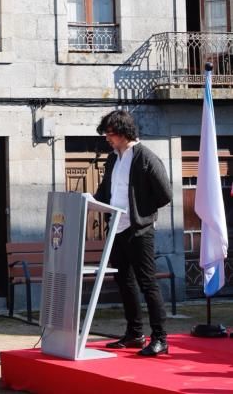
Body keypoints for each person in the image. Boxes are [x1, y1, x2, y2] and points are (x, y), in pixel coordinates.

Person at [94, 110, 172, 357]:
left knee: (147, 283)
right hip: (115, 229)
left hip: (139, 230)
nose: (107, 139)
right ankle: (135, 334)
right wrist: (89, 202)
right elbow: (106, 191)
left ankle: (160, 338)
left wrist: (140, 213)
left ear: (123, 132)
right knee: (124, 282)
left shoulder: (146, 157)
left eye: (110, 134)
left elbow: (165, 195)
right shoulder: (112, 159)